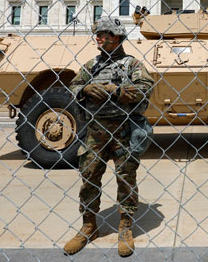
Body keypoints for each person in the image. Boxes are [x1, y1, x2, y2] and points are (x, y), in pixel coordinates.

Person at [64, 17, 154, 257]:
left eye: (104, 35)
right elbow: (72, 86)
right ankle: (89, 225)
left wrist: (117, 91)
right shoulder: (91, 65)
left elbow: (146, 89)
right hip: (95, 132)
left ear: (117, 37)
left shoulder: (132, 64)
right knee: (89, 178)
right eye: (98, 35)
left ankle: (125, 226)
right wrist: (83, 89)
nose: (99, 39)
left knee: (126, 179)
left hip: (124, 131)